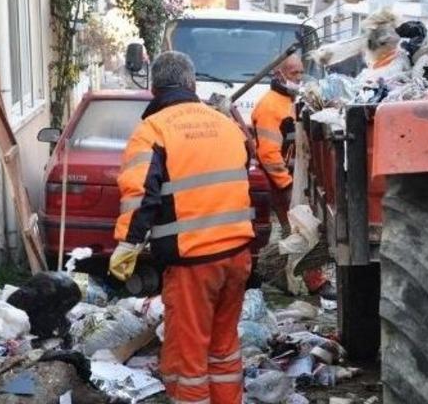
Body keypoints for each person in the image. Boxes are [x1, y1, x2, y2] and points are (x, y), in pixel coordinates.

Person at [110, 51, 254, 404]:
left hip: (193, 262)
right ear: (192, 84)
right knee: (223, 348)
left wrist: (127, 245)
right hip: (237, 255)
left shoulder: (152, 131)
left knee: (187, 356)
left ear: (155, 89)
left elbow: (141, 195)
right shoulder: (225, 124)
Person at [251, 54, 304, 235]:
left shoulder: (287, 101)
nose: (298, 77)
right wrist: (287, 185)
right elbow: (268, 154)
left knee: (295, 232)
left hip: (287, 180)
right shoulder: (269, 106)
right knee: (294, 231)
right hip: (280, 184)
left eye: (301, 72)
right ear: (279, 74)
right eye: (293, 72)